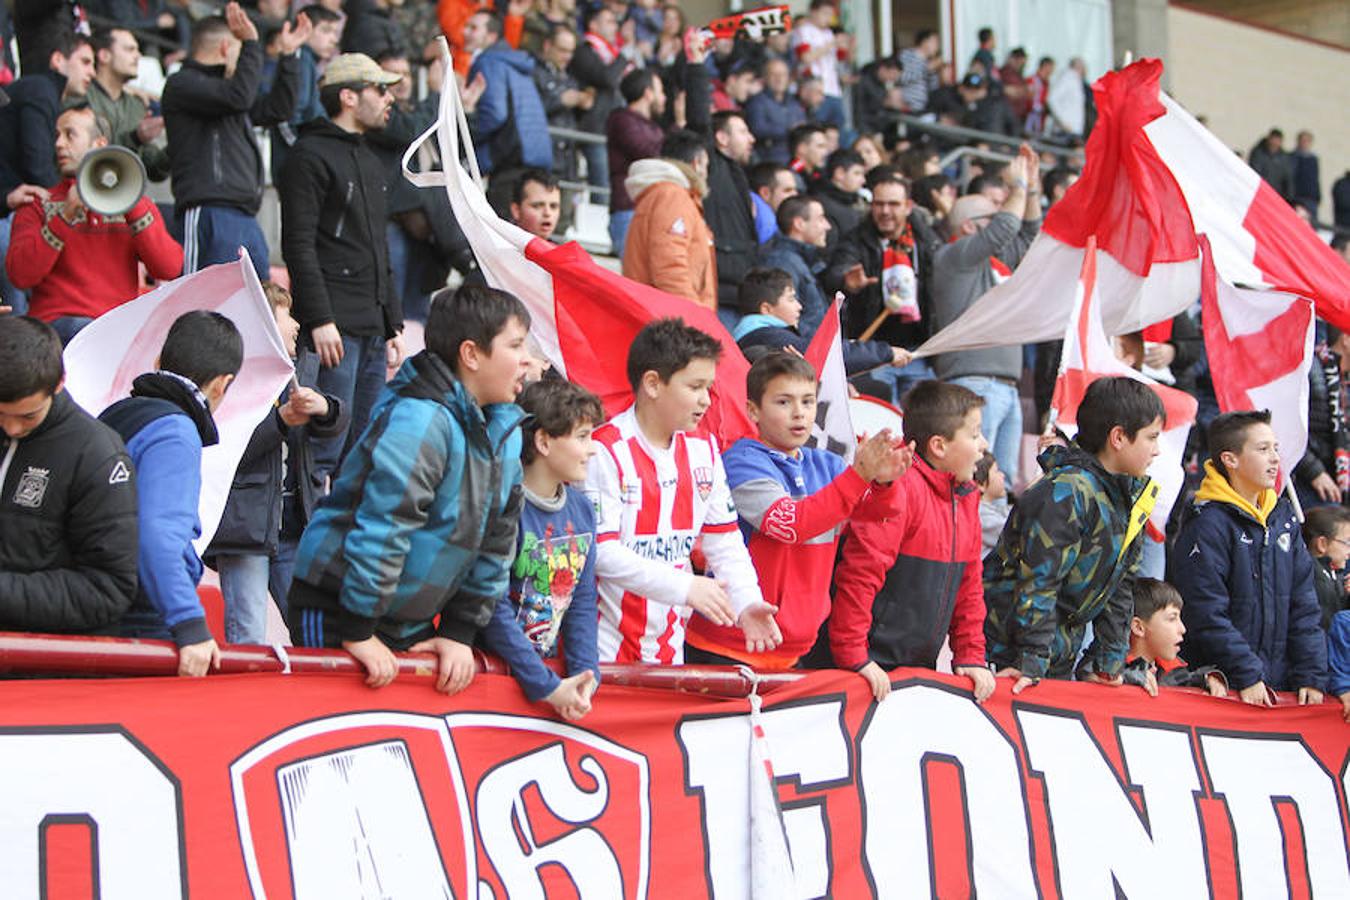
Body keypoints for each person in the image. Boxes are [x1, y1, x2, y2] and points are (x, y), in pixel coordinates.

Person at [288, 285, 531, 692]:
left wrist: (458, 632)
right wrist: (359, 630)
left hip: (409, 620)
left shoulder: (507, 432)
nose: (527, 360)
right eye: (516, 345)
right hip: (339, 609)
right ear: (471, 354)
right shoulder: (421, 419)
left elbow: (496, 543)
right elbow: (385, 525)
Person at [685, 352, 909, 666]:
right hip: (727, 645)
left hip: (795, 650)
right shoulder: (740, 462)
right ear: (753, 410)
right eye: (783, 402)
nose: (799, 414)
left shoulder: (827, 464)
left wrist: (884, 482)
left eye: (808, 402)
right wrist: (859, 475)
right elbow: (791, 524)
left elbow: (877, 515)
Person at [585, 318, 781, 664]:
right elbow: (601, 553)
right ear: (652, 384)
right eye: (695, 387)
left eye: (709, 388)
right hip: (601, 652)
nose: (706, 400)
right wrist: (684, 587)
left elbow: (724, 541)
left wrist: (747, 600)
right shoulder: (604, 449)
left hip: (669, 651)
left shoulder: (703, 450)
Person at [984, 377, 1165, 693]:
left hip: (1056, 658)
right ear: (1118, 437)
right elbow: (1039, 582)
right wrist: (1031, 659)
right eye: (1151, 438)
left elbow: (1120, 587)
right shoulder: (1067, 491)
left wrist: (1107, 666)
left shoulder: (1128, 498)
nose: (1158, 450)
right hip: (1010, 660)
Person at [826, 379, 994, 703]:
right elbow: (861, 574)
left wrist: (971, 655)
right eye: (974, 435)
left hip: (916, 672)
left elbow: (969, 587)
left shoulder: (967, 498)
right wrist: (854, 657)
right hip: (870, 669)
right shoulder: (899, 489)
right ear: (939, 446)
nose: (984, 444)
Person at [281, 52, 405, 484]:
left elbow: (377, 247)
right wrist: (319, 318)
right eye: (381, 89)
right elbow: (298, 243)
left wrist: (392, 321)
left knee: (359, 448)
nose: (390, 99)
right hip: (335, 329)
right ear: (349, 97)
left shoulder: (370, 160)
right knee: (323, 448)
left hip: (370, 328)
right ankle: (304, 545)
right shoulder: (309, 155)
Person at [99, 311, 243, 677]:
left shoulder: (117, 414)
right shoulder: (175, 432)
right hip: (141, 614)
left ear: (159, 362)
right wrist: (189, 622)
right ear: (222, 385)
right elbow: (158, 536)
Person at [204, 283, 343, 644]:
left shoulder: (301, 370)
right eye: (286, 315)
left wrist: (326, 410)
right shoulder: (227, 381)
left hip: (295, 526)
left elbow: (339, 427)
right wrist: (279, 420)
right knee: (247, 633)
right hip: (245, 531)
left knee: (314, 635)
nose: (297, 325)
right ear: (262, 324)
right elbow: (224, 451)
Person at [1172, 410, 1328, 706]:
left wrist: (1310, 674)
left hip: (1279, 689)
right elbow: (1205, 612)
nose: (1274, 458)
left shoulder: (1284, 519)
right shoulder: (1207, 524)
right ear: (1230, 459)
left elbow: (1305, 607)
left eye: (1276, 448)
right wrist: (1246, 674)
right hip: (1224, 691)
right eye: (1263, 449)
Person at [0, 316, 138, 634]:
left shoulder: (96, 454)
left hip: (40, 666)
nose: (12, 427)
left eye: (27, 416)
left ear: (59, 383)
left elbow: (108, 589)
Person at [6, 105, 181, 344]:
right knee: (88, 330)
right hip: (58, 331)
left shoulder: (136, 205)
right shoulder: (38, 205)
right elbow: (20, 275)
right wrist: (65, 217)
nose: (58, 144)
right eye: (56, 135)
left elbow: (169, 268)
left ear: (99, 144)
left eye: (70, 135)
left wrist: (130, 203)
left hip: (114, 330)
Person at [481, 378, 602, 718]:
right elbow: (493, 606)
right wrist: (544, 683)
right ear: (544, 441)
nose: (592, 449)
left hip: (550, 683)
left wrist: (585, 676)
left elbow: (581, 599)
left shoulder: (582, 510)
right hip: (492, 680)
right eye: (582, 437)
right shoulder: (505, 506)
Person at [163, 3, 309, 279]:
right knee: (202, 308)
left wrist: (288, 56)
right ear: (225, 49)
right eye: (242, 53)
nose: (247, 64)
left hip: (245, 216)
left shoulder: (229, 93)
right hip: (208, 211)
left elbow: (278, 109)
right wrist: (252, 43)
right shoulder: (183, 83)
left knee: (258, 306)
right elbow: (239, 97)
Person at [929, 144, 1041, 481]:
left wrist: (1032, 187)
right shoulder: (954, 257)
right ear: (968, 227)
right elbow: (1006, 228)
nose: (1004, 214)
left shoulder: (995, 264)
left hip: (1006, 385)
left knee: (999, 484)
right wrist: (1016, 187)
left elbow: (1029, 237)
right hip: (973, 383)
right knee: (974, 481)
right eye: (992, 213)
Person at [824, 170, 939, 403]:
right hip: (874, 355)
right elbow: (833, 275)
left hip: (917, 354)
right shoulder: (855, 239)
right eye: (879, 204)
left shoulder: (927, 240)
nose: (885, 211)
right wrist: (847, 282)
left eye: (893, 204)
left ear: (908, 206)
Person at [0, 30, 94, 314]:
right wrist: (69, 202)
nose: (91, 72)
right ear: (58, 60)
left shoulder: (43, 93)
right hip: (7, 215)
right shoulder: (41, 89)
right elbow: (36, 162)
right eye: (85, 61)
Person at [733, 267, 899, 372]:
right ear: (766, 309)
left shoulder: (757, 335)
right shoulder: (769, 337)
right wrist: (886, 352)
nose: (799, 306)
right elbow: (826, 355)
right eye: (791, 299)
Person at [465, 10, 552, 212]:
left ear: (491, 36)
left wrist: (465, 135)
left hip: (509, 162)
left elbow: (494, 114)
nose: (465, 32)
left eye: (474, 28)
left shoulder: (488, 61)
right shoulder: (514, 62)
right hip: (532, 160)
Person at [621, 130, 716, 309]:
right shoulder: (672, 196)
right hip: (670, 322)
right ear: (696, 164)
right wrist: (695, 318)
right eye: (707, 166)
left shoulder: (665, 194)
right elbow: (669, 267)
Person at [86, 27, 170, 183]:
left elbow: (154, 170)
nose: (138, 56)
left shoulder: (137, 105)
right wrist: (135, 138)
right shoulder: (83, 96)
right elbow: (87, 153)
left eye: (137, 50)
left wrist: (177, 144)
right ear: (104, 55)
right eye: (129, 49)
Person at [1121, 578, 1228, 698]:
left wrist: (1206, 680)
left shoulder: (1174, 672)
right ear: (1139, 627)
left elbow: (1189, 679)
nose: (1182, 629)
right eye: (1172, 619)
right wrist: (1128, 677)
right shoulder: (1107, 673)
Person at [605, 67, 666, 258]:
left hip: (649, 210)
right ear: (648, 94)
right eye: (660, 91)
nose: (664, 98)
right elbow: (648, 152)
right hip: (628, 211)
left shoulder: (653, 126)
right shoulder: (621, 120)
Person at [569, 5, 627, 191]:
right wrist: (623, 57)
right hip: (594, 127)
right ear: (593, 24)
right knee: (600, 186)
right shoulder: (584, 51)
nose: (615, 27)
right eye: (609, 22)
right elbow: (607, 78)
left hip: (611, 129)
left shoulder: (609, 52)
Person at [758, 195, 830, 338]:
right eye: (821, 219)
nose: (828, 226)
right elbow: (784, 318)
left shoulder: (798, 259)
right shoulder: (783, 262)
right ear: (799, 224)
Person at [532, 24, 590, 182]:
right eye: (562, 50)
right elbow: (529, 112)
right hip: (543, 159)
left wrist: (583, 106)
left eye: (571, 51)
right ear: (547, 45)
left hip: (567, 163)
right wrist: (560, 101)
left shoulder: (569, 78)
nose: (567, 57)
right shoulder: (532, 71)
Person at [743, 58, 804, 165]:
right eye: (774, 74)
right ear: (765, 78)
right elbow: (757, 128)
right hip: (769, 159)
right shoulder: (757, 102)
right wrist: (789, 129)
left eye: (783, 75)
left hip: (795, 159)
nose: (779, 79)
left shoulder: (794, 103)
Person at [1301, 505, 1350, 631]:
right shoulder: (1316, 580)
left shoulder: (1330, 574)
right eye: (1347, 543)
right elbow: (1330, 627)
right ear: (1322, 544)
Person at [811, 148, 867, 249]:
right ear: (839, 173)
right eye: (857, 173)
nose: (863, 180)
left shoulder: (854, 202)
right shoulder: (822, 206)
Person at [748, 161, 798, 244]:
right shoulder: (767, 226)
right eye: (787, 190)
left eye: (795, 190)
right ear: (765, 193)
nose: (795, 195)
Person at [509, 168, 562, 241]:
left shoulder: (561, 251)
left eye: (553, 206)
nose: (547, 213)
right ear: (516, 210)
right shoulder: (496, 249)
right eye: (537, 206)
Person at [974, 450, 1008, 556]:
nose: (1002, 475)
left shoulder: (986, 509)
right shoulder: (981, 514)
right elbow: (1016, 532)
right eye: (997, 471)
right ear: (980, 484)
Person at [1248, 129, 1295, 205]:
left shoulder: (1284, 158)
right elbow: (1255, 173)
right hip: (1260, 194)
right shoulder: (1258, 154)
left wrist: (1289, 199)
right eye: (1273, 139)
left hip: (1277, 196)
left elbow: (1288, 178)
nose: (1275, 142)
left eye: (1277, 140)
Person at [898, 29, 940, 113]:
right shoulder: (906, 55)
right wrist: (926, 70)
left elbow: (933, 88)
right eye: (935, 42)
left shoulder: (929, 61)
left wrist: (933, 73)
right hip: (907, 107)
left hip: (923, 108)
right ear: (924, 42)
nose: (937, 47)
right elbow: (901, 78)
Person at [786, 122, 828, 190]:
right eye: (820, 146)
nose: (825, 152)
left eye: (826, 147)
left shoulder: (818, 174)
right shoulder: (791, 178)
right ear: (802, 148)